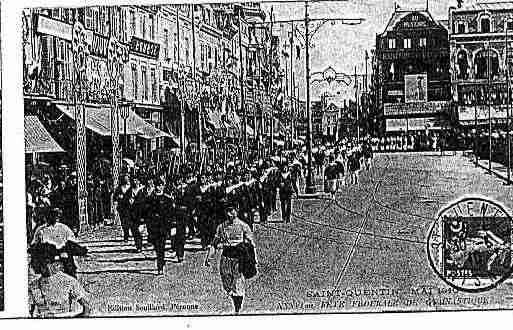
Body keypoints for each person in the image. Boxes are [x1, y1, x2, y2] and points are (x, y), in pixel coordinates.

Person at [204, 204, 256, 314]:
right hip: (225, 258)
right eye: (227, 211)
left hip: (238, 258)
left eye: (231, 211)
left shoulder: (243, 226)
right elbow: (214, 243)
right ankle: (235, 297)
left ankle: (237, 307)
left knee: (237, 282)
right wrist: (209, 257)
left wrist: (252, 260)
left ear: (236, 211)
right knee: (226, 283)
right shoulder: (221, 227)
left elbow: (251, 244)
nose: (229, 214)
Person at [28, 243, 91, 318]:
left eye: (37, 262)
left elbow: (86, 308)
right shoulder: (33, 284)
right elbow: (29, 312)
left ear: (48, 262)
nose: (33, 265)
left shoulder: (68, 281)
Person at [31, 208, 81, 278]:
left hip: (63, 255)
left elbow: (72, 242)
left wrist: (66, 250)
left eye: (56, 216)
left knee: (69, 268)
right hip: (48, 257)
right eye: (51, 216)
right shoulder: (40, 230)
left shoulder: (64, 228)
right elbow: (34, 245)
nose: (54, 218)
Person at [145, 178, 173, 275]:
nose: (159, 187)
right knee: (157, 247)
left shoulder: (167, 199)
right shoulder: (150, 199)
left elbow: (170, 215)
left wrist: (171, 227)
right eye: (157, 185)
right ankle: (160, 261)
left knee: (161, 246)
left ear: (163, 186)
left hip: (163, 227)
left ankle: (160, 265)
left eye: (161, 185)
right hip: (154, 227)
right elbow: (146, 213)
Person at [114, 174, 132, 242]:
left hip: (130, 207)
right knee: (124, 222)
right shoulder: (119, 188)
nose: (126, 180)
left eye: (127, 179)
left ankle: (129, 233)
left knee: (129, 221)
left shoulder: (131, 187)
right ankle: (126, 236)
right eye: (125, 179)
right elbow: (115, 197)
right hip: (122, 207)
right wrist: (118, 197)